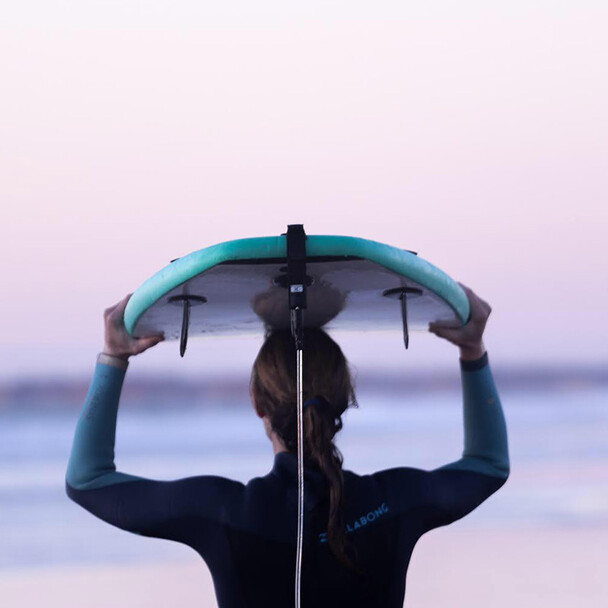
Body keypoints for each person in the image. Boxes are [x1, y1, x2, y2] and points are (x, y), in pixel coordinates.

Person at [66, 284, 509, 607]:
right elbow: (488, 464)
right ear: (344, 400)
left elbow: (88, 480)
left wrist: (114, 357)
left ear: (257, 402)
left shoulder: (221, 511)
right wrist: (473, 349)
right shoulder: (394, 502)